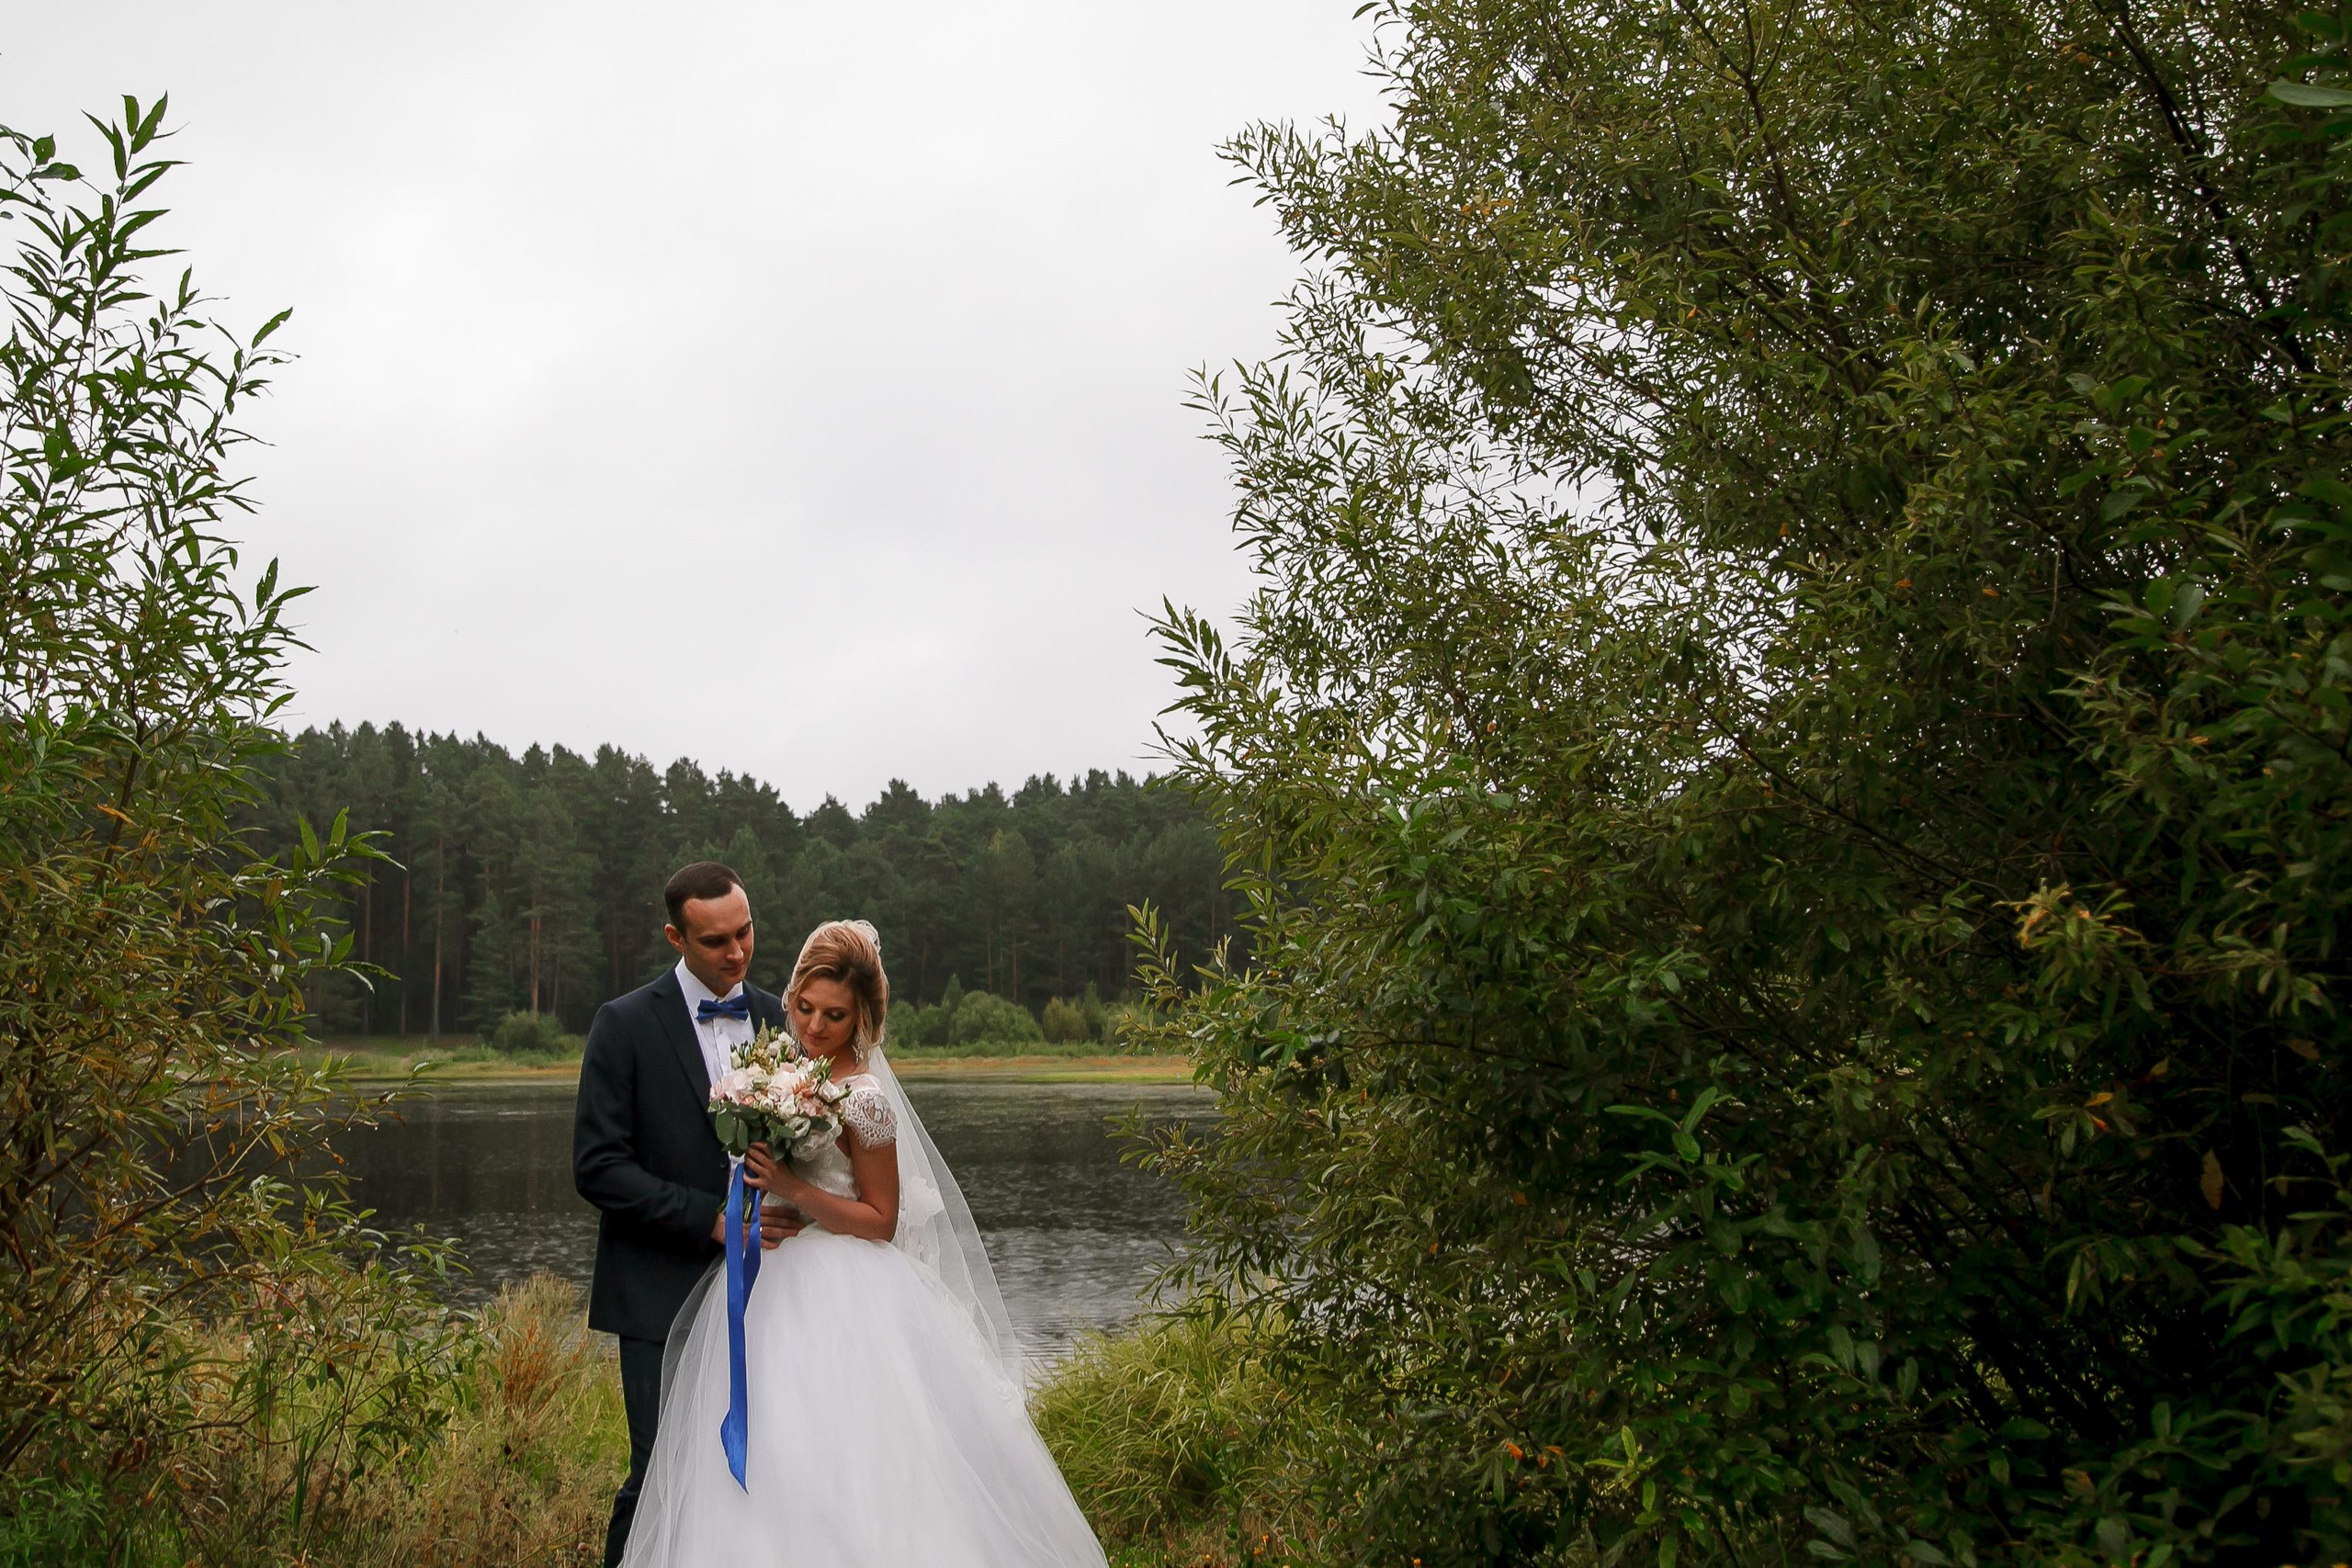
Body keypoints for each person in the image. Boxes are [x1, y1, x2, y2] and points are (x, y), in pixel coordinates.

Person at [617, 919, 1109, 1567]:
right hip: (773, 1284)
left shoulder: (866, 1100)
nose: (815, 1026)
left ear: (863, 1017)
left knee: (857, 1457)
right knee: (776, 1454)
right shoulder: (785, 1073)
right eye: (805, 1007)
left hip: (849, 1289)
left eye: (835, 1015)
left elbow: (880, 1217)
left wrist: (794, 1184)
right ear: (790, 995)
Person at [574, 861, 798, 1568]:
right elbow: (599, 1167)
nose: (736, 952)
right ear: (676, 936)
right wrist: (712, 1220)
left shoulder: (781, 1016)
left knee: (766, 1472)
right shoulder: (623, 1024)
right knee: (659, 1475)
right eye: (715, 941)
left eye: (746, 931)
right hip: (657, 1291)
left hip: (776, 1290)